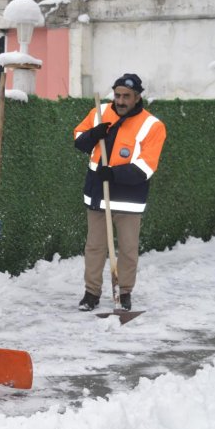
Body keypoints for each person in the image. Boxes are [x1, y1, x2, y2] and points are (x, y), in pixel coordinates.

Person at [73, 73, 167, 312]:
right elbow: (78, 139)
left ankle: (124, 292)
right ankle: (91, 293)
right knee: (94, 246)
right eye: (117, 95)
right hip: (98, 195)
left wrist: (114, 174)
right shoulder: (100, 112)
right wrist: (95, 134)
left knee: (127, 248)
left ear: (137, 98)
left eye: (127, 96)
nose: (121, 101)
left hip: (128, 199)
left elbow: (146, 166)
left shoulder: (152, 125)